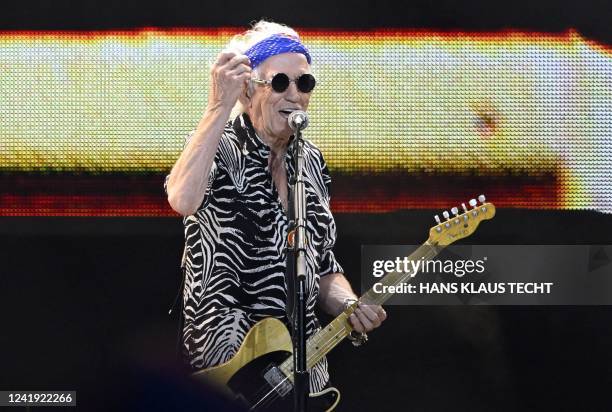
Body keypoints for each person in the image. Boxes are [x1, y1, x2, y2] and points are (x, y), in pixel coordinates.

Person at [165, 20, 386, 393]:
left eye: (305, 83)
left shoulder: (311, 161)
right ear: (249, 90)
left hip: (299, 366)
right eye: (280, 83)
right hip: (226, 362)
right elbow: (182, 200)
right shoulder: (218, 144)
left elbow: (322, 265)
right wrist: (220, 104)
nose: (294, 94)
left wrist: (350, 304)